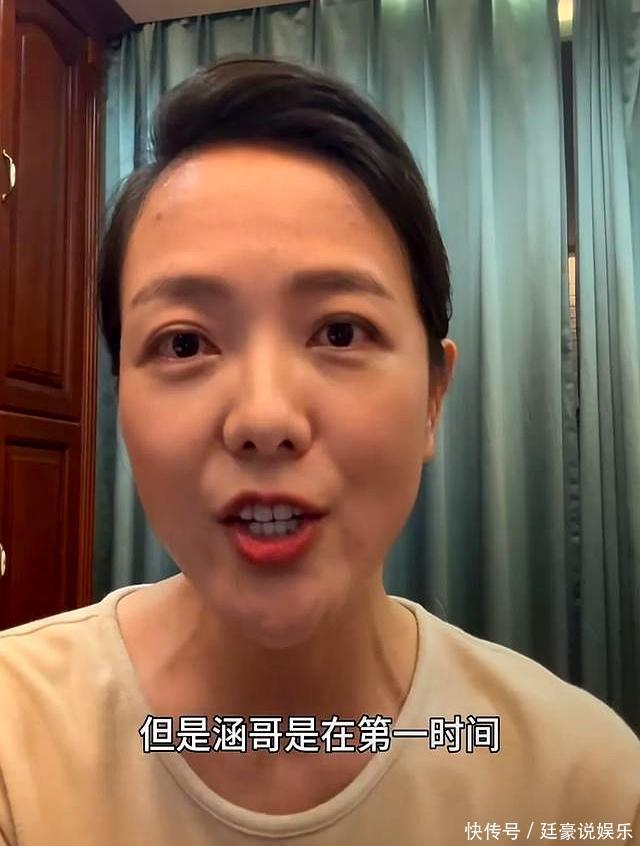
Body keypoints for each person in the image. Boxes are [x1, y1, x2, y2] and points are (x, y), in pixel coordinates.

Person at [0, 57, 638, 846]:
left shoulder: (584, 784)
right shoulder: (18, 748)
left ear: (434, 395)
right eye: (185, 342)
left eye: (339, 332)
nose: (265, 419)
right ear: (120, 399)